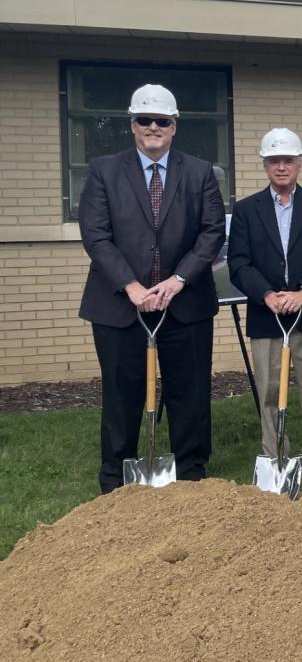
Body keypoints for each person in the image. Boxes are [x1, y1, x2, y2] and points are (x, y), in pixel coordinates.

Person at [78, 83, 225, 493]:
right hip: (120, 304)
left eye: (163, 120)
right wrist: (131, 285)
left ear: (175, 126)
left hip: (186, 302)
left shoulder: (200, 173)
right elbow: (95, 234)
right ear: (133, 125)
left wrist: (178, 280)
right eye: (146, 120)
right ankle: (116, 481)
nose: (154, 127)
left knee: (189, 393)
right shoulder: (104, 171)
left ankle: (191, 473)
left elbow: (212, 233)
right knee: (121, 393)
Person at [227, 128, 302, 489]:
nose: (281, 167)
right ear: (265, 165)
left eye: (288, 161)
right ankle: (276, 454)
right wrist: (266, 295)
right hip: (267, 313)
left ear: (299, 164)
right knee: (267, 388)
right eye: (274, 161)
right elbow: (239, 262)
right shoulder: (247, 210)